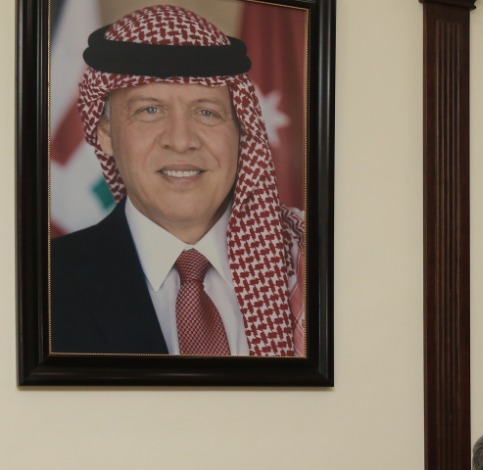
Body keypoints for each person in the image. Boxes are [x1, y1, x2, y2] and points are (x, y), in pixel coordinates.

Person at [50, 4, 305, 358]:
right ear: (105, 132)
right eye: (150, 110)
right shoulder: (43, 285)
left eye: (207, 112)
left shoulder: (308, 266)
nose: (182, 140)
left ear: (240, 130)